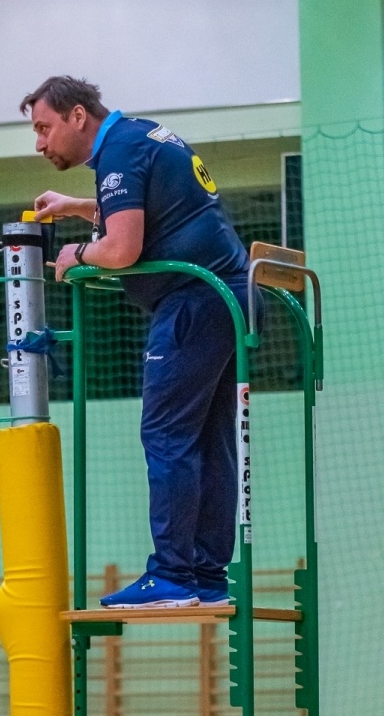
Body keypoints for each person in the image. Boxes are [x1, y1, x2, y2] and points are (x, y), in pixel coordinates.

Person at [21, 75, 260, 609]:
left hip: (194, 301)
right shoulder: (138, 137)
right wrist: (78, 206)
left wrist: (77, 255)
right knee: (208, 439)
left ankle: (173, 576)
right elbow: (150, 213)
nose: (39, 143)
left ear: (77, 115)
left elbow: (122, 249)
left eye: (43, 128)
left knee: (166, 434)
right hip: (228, 296)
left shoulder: (121, 151)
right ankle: (207, 577)